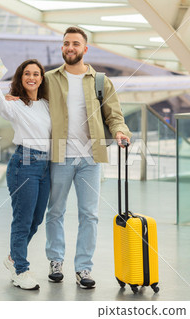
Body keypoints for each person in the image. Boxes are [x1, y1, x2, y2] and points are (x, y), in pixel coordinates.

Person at [44, 27, 132, 289]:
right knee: (55, 211)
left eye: (75, 43)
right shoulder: (49, 79)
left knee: (89, 215)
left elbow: (114, 115)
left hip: (90, 159)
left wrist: (119, 131)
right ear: (62, 48)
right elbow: (28, 100)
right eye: (66, 43)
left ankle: (83, 268)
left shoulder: (99, 81)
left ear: (85, 49)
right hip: (59, 156)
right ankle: (55, 261)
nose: (70, 47)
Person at [0, 52, 51, 290]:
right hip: (24, 164)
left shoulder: (46, 104)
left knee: (36, 219)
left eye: (36, 74)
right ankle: (21, 270)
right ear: (20, 78)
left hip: (46, 166)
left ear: (42, 78)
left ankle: (13, 258)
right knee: (22, 220)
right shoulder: (14, 104)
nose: (31, 77)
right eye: (26, 74)